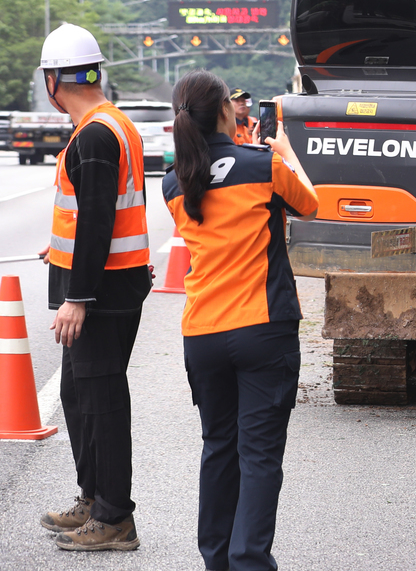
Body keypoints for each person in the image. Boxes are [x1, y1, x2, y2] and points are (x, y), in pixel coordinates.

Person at [163, 70, 317, 571]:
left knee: (218, 448)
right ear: (227, 112)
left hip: (203, 333)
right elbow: (309, 205)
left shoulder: (175, 182)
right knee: (260, 456)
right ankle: (249, 560)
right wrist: (287, 154)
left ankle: (217, 560)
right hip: (262, 328)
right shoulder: (262, 164)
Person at [37, 23, 150, 552]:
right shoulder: (110, 125)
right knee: (78, 394)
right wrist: (59, 251)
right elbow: (91, 215)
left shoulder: (97, 134)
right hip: (107, 283)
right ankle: (93, 497)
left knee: (101, 402)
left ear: (53, 81)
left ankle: (114, 516)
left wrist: (77, 297)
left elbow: (100, 220)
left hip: (101, 295)